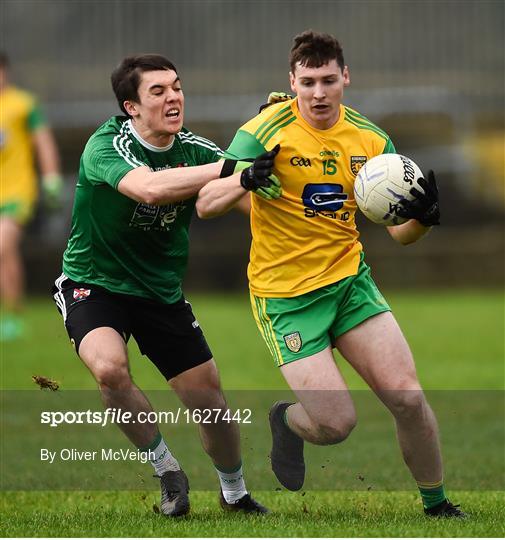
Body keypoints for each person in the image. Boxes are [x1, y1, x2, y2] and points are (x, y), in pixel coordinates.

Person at [196, 30, 465, 518]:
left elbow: (400, 235)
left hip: (349, 284)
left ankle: (438, 505)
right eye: (307, 82)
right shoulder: (262, 130)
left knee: (408, 399)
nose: (317, 93)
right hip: (285, 297)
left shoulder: (370, 139)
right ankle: (287, 421)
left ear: (345, 77)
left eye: (327, 80)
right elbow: (206, 203)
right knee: (336, 423)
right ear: (291, 82)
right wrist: (243, 178)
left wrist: (423, 217)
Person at [52, 54, 280, 517]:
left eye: (176, 87)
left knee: (209, 402)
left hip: (160, 292)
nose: (173, 97)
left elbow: (255, 201)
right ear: (131, 106)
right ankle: (167, 471)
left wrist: (277, 147)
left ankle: (234, 493)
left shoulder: (196, 149)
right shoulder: (106, 145)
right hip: (94, 283)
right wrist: (233, 169)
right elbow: (150, 188)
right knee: (109, 369)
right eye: (157, 91)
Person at [0, 52, 63, 341]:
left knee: (2, 247)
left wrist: (51, 179)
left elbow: (43, 142)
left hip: (16, 191)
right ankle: (10, 312)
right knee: (5, 254)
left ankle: (13, 316)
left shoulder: (23, 104)